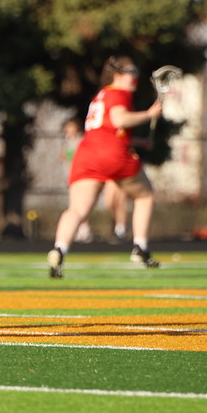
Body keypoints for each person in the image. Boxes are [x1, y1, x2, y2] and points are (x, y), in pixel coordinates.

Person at [47, 56, 162, 278]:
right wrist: (149, 114)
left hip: (86, 155)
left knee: (77, 210)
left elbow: (107, 130)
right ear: (117, 74)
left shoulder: (101, 95)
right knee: (144, 195)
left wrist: (139, 142)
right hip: (112, 156)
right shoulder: (119, 93)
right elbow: (119, 120)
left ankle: (59, 249)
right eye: (131, 72)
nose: (135, 77)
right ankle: (140, 247)